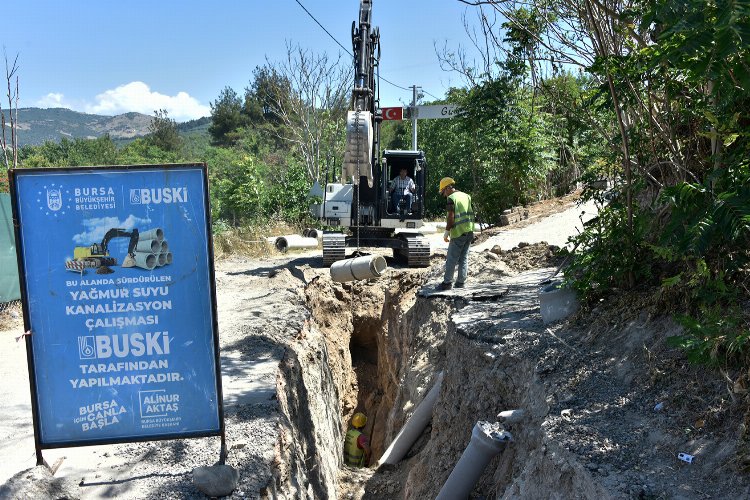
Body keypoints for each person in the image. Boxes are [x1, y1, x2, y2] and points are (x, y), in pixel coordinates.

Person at [438, 177, 474, 290]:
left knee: (451, 258)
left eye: (443, 191)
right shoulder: (466, 195)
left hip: (458, 232)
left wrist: (447, 231)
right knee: (464, 257)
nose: (444, 195)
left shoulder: (451, 198)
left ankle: (447, 282)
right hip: (469, 231)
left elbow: (451, 217)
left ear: (448, 188)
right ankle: (461, 282)